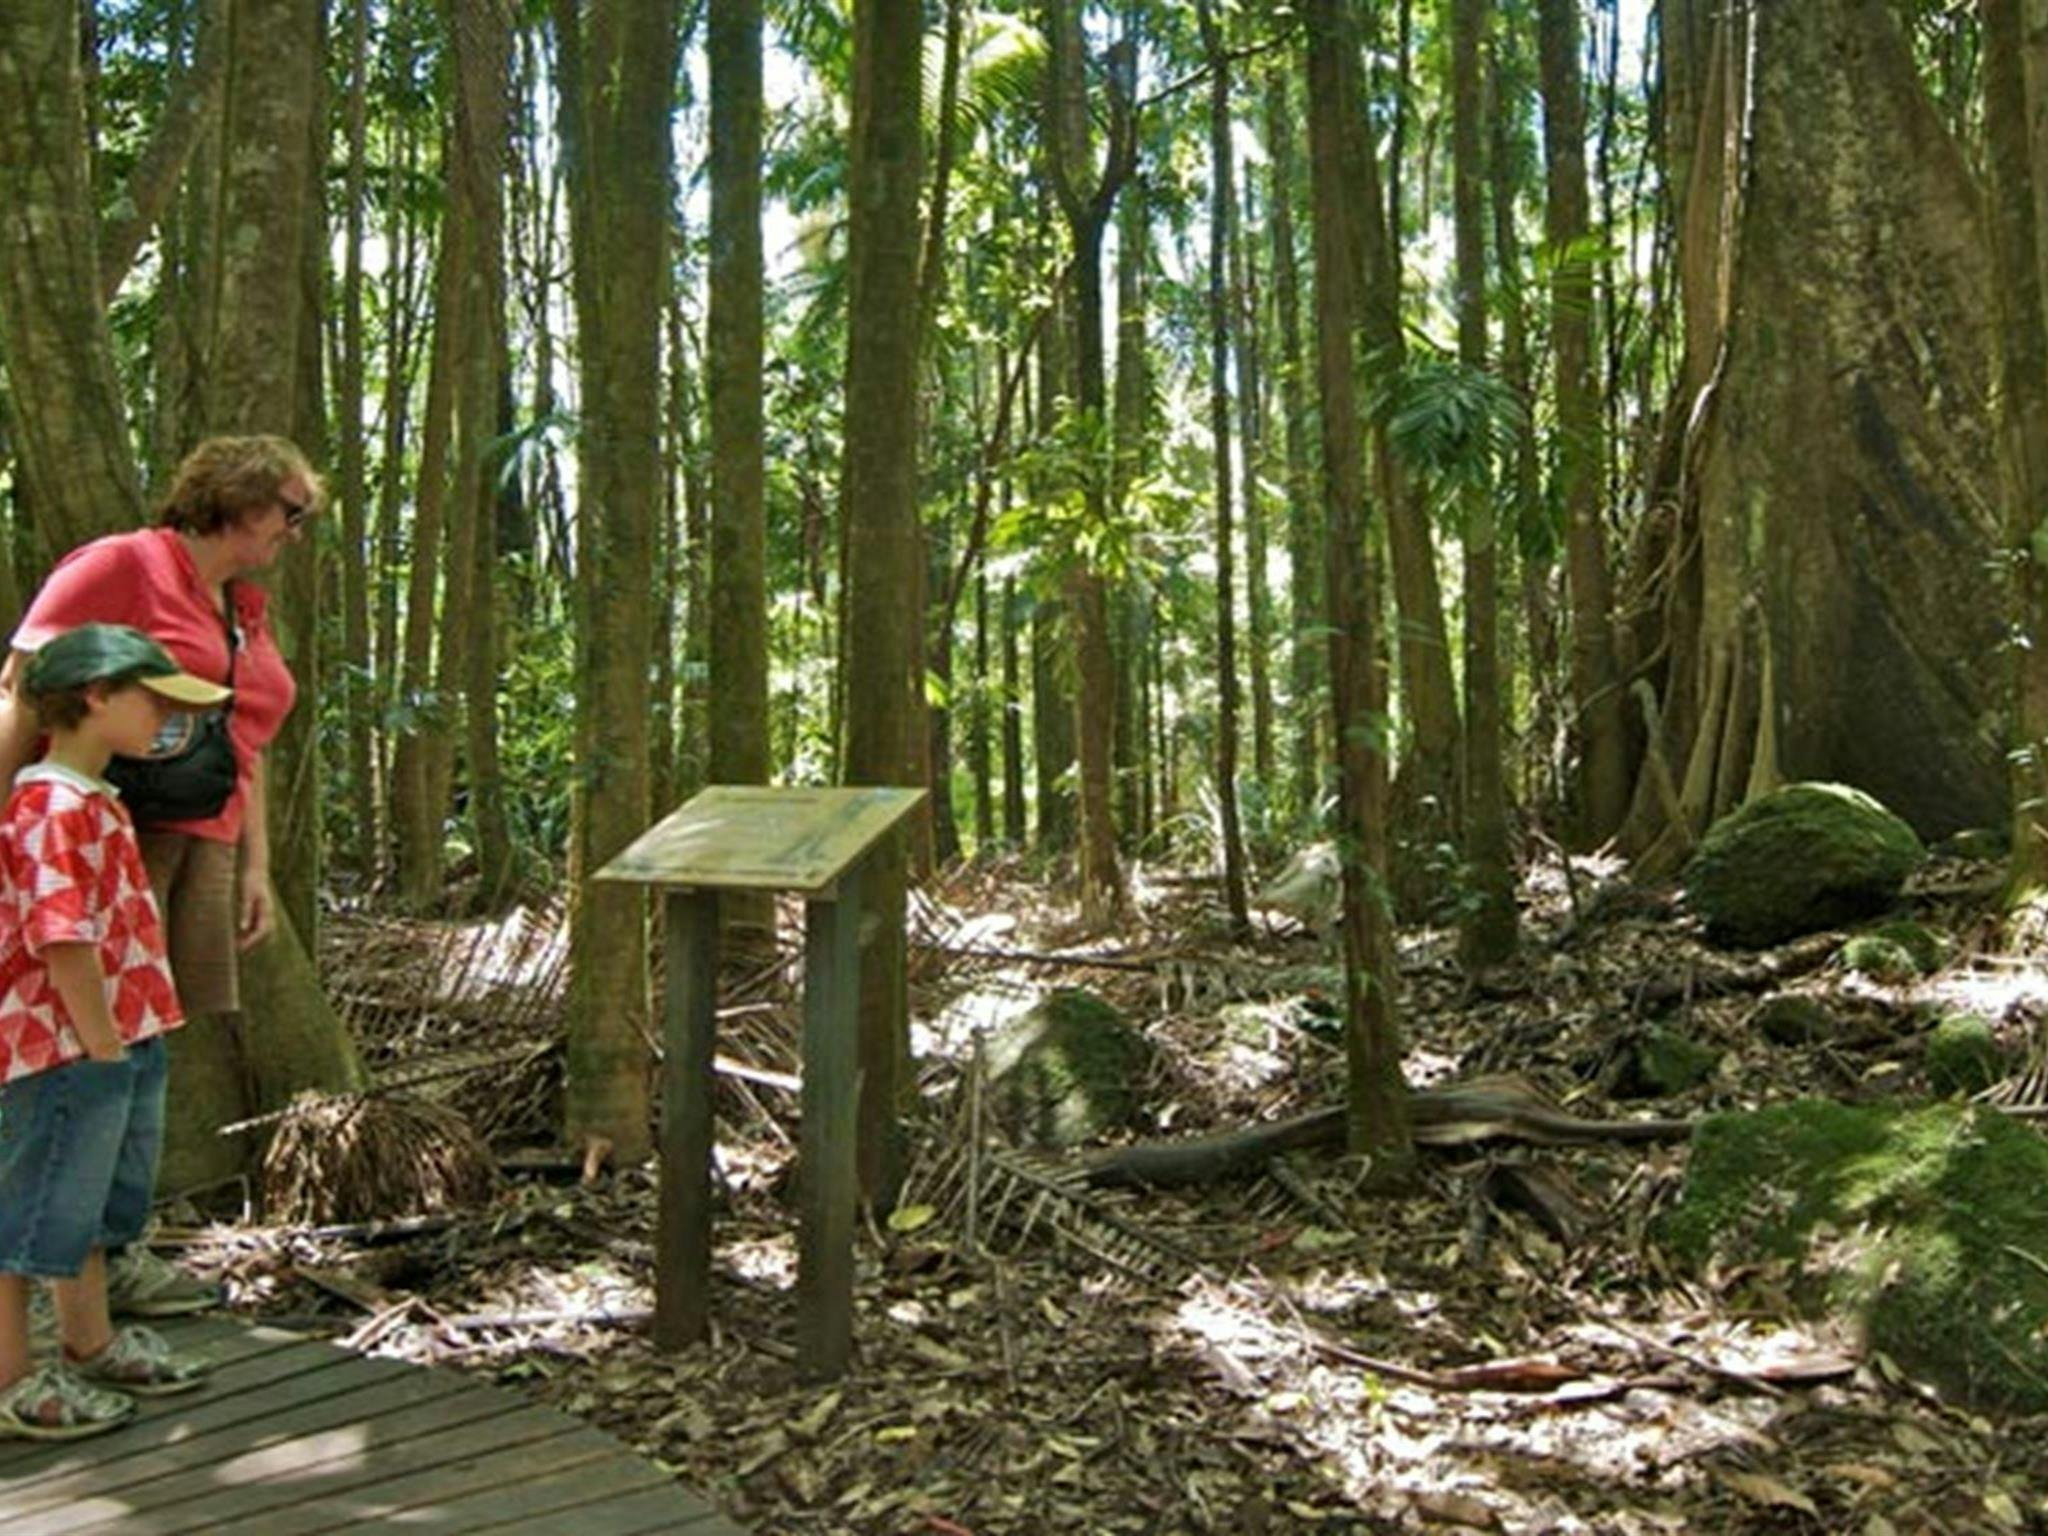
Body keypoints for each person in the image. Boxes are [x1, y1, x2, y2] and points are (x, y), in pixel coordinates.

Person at [0, 434, 320, 1317]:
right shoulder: (121, 565)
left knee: (144, 1053)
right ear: (240, 502)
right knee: (75, 1054)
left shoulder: (242, 605)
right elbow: (23, 686)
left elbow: (242, 739)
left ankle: (112, 1255)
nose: (295, 532)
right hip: (102, 840)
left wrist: (257, 865)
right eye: (290, 513)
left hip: (199, 843)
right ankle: (47, 1280)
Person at [0, 625, 226, 1438]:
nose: (165, 715)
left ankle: (89, 1344)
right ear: (95, 698)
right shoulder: (49, 808)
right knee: (33, 1211)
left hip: (118, 1037)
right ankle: (12, 1379)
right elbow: (60, 936)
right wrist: (98, 1044)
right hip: (65, 1045)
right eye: (151, 698)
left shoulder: (95, 801)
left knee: (89, 1202)